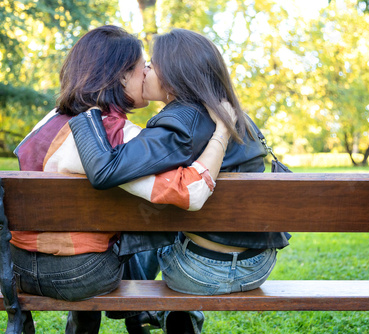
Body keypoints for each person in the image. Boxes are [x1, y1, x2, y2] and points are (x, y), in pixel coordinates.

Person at [11, 25, 234, 334]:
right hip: (78, 275)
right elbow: (191, 193)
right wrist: (222, 132)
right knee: (159, 218)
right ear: (119, 76)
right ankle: (157, 317)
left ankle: (112, 320)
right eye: (142, 66)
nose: (148, 73)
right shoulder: (115, 135)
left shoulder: (49, 120)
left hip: (18, 267)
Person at [69, 28, 291, 333]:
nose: (144, 70)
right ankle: (170, 317)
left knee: (145, 223)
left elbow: (107, 170)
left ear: (174, 75)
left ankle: (152, 314)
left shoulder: (177, 125)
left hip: (200, 272)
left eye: (151, 64)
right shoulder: (236, 115)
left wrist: (87, 111)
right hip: (258, 267)